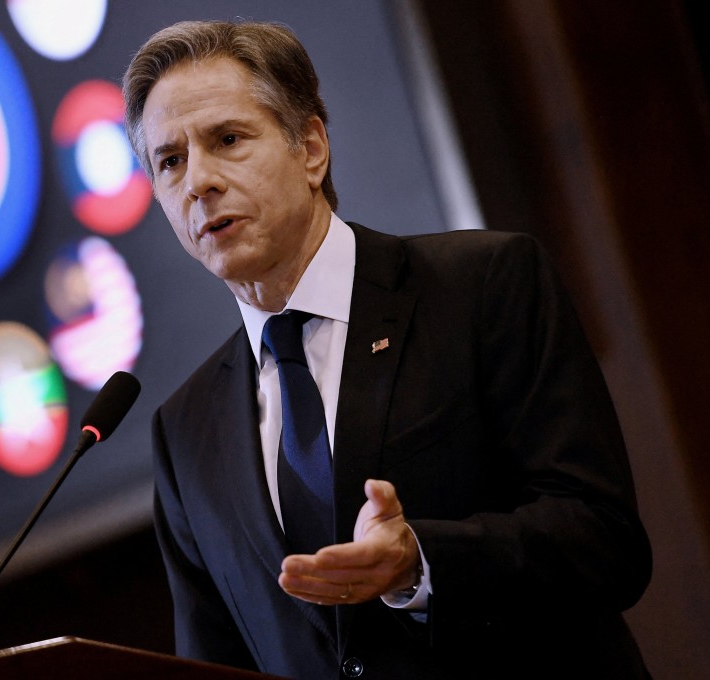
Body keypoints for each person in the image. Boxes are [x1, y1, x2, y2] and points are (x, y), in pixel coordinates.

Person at [122, 20, 651, 679]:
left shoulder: (482, 287)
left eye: (227, 140)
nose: (198, 180)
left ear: (311, 148)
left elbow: (606, 542)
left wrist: (422, 563)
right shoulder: (185, 435)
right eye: (169, 161)